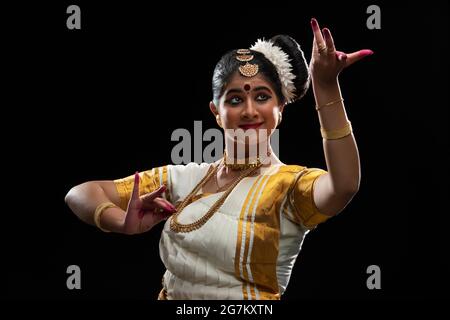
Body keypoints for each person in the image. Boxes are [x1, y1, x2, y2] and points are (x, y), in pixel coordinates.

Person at [65, 18, 372, 300]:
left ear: (281, 109)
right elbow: (79, 193)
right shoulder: (184, 179)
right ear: (216, 112)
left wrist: (326, 86)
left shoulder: (290, 187)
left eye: (263, 97)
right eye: (236, 99)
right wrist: (119, 221)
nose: (250, 110)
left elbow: (344, 185)